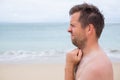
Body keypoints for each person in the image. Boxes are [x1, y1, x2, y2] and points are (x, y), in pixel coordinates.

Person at [65, 3, 113, 80]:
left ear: (89, 29)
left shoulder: (95, 66)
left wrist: (69, 67)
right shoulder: (87, 58)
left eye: (73, 25)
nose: (68, 30)